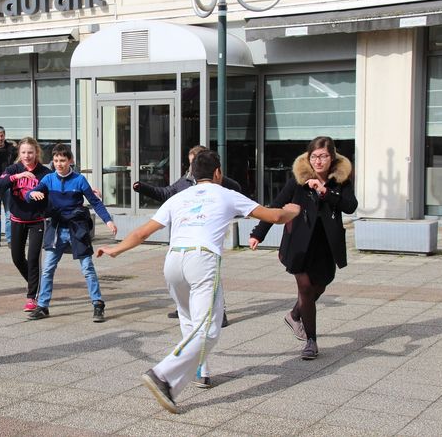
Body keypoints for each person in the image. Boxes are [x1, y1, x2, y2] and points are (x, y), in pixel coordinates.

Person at [97, 149, 300, 413]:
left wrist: (116, 249)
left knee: (190, 322)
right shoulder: (227, 194)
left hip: (173, 262)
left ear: (192, 174)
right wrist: (292, 210)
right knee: (208, 330)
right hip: (201, 261)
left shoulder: (180, 197)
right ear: (218, 173)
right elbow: (274, 217)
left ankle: (186, 378)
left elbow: (141, 232)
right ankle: (163, 375)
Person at [249, 136, 357, 360]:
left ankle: (295, 314)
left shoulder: (340, 181)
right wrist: (258, 233)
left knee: (321, 284)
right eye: (314, 156)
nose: (318, 161)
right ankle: (311, 341)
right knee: (306, 289)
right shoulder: (297, 181)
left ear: (332, 158)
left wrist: (326, 192)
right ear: (309, 158)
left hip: (326, 245)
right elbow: (276, 206)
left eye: (324, 156)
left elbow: (350, 206)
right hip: (299, 245)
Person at [133, 145, 241, 327]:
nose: (192, 167)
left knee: (210, 277)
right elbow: (166, 193)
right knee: (183, 275)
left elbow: (236, 189)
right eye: (190, 162)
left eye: (195, 162)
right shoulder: (185, 181)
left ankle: (219, 312)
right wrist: (142, 188)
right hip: (183, 238)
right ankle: (184, 307)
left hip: (206, 241)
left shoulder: (219, 182)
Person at [25, 143, 118, 323]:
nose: (59, 164)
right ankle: (43, 306)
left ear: (70, 161)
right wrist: (32, 195)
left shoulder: (79, 180)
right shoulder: (48, 179)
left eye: (63, 160)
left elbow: (95, 202)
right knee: (48, 269)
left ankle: (98, 304)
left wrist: (108, 220)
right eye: (56, 160)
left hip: (76, 228)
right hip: (56, 228)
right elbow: (31, 193)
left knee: (87, 269)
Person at [0, 137, 52, 313]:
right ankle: (37, 285)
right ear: (19, 153)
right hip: (17, 220)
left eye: (30, 152)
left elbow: (56, 191)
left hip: (37, 221)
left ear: (37, 153)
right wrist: (17, 176)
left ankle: (31, 296)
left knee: (33, 259)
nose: (27, 156)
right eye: (24, 152)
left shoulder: (44, 173)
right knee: (17, 258)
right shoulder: (13, 169)